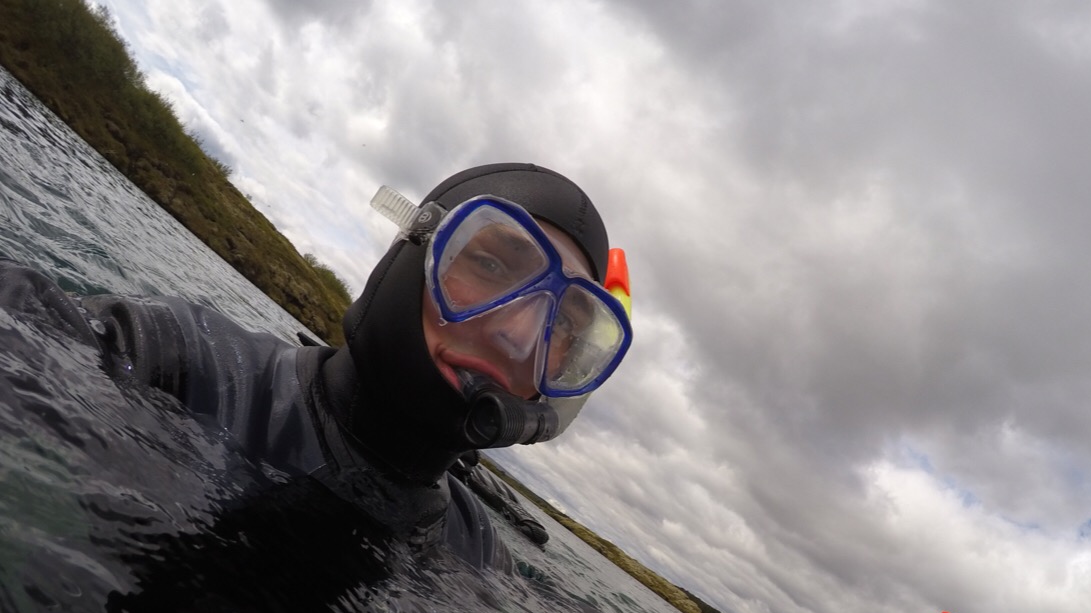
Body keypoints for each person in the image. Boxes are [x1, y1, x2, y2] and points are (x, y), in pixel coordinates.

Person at [0, 162, 631, 569]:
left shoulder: (477, 551)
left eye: (563, 324)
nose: (517, 335)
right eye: (490, 265)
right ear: (411, 254)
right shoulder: (179, 360)